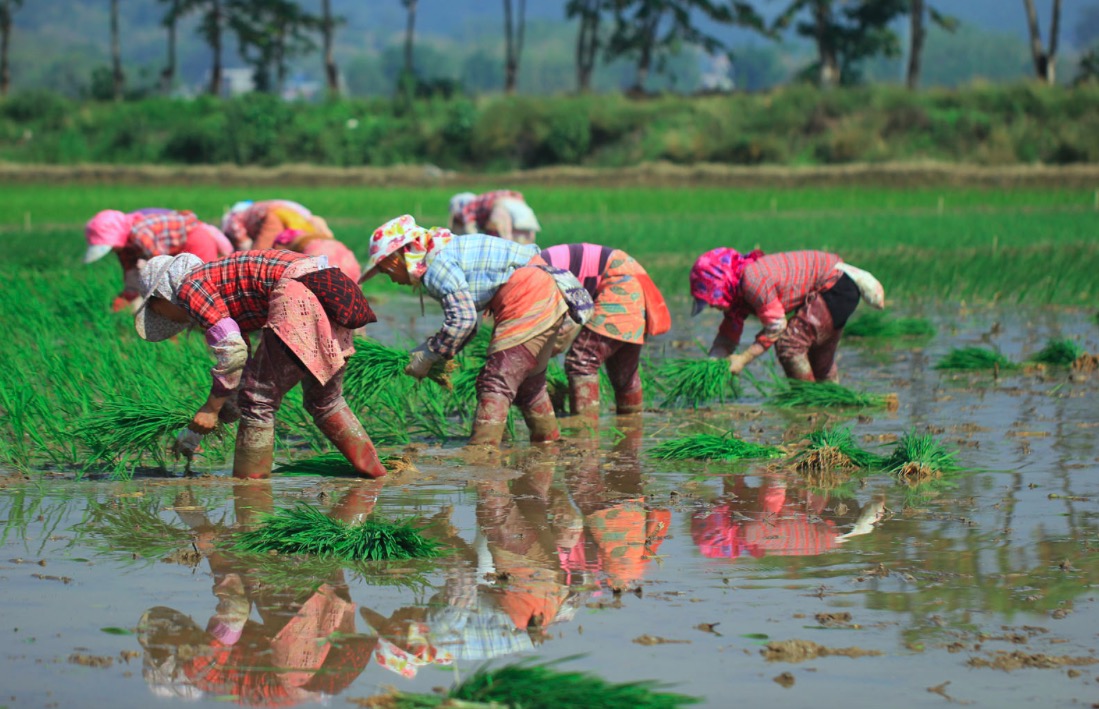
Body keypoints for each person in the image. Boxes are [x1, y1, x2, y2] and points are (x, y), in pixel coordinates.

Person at [132, 249, 386, 479]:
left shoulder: (189, 287)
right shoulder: (217, 286)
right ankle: (376, 473)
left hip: (301, 293)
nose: (167, 318)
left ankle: (250, 490)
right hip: (334, 292)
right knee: (325, 401)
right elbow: (241, 359)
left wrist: (210, 408)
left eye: (158, 311)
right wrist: (217, 414)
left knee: (257, 400)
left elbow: (232, 350)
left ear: (162, 296)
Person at [360, 215, 592, 447]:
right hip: (546, 288)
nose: (391, 279)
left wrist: (428, 354)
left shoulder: (436, 265)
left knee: (495, 380)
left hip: (529, 293)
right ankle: (547, 442)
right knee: (530, 383)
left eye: (387, 271)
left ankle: (483, 449)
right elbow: (467, 323)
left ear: (397, 260)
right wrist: (438, 352)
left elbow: (464, 320)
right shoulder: (442, 250)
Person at [689, 248, 884, 382]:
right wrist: (711, 364)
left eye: (712, 299)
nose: (712, 306)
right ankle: (832, 403)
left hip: (836, 287)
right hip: (837, 289)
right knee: (819, 362)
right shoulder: (737, 297)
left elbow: (777, 326)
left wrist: (743, 359)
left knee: (789, 344)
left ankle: (806, 402)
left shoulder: (752, 281)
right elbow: (727, 337)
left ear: (722, 285)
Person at [541, 243, 671, 416]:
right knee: (623, 372)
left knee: (582, 361)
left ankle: (585, 425)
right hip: (629, 276)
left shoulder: (532, 276)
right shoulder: (533, 267)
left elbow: (561, 332)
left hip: (620, 281)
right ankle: (631, 424)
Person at [84, 208, 233, 311]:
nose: (112, 251)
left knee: (202, 285)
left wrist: (161, 298)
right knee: (182, 291)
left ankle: (219, 320)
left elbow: (161, 266)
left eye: (111, 246)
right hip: (174, 249)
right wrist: (129, 295)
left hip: (195, 239)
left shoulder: (140, 233)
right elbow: (130, 273)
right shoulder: (124, 247)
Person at [220, 200, 360, 282]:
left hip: (275, 216)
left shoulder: (232, 219)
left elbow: (244, 246)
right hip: (300, 216)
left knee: (259, 261)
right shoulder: (258, 207)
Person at [447, 190, 542, 244]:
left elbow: (471, 231)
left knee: (499, 241)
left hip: (501, 206)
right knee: (524, 239)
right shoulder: (480, 201)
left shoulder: (467, 209)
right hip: (518, 203)